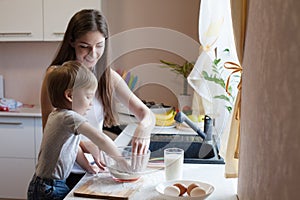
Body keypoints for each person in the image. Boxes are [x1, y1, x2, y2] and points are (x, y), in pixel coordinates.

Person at [40, 9, 155, 189]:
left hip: (94, 171)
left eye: (99, 45)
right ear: (72, 42)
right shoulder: (55, 76)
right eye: (84, 46)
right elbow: (50, 130)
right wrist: (86, 148)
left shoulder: (108, 77)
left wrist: (144, 129)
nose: (93, 54)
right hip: (63, 174)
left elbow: (145, 113)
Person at [28, 61, 125, 199]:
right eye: (88, 97)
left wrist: (89, 168)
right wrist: (123, 163)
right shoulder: (69, 118)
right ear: (70, 96)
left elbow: (72, 149)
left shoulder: (58, 115)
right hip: (50, 188)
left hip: (45, 184)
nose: (91, 104)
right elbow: (100, 139)